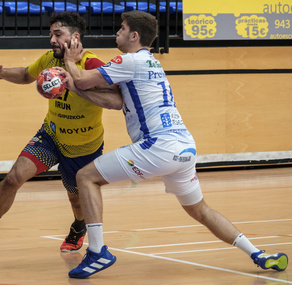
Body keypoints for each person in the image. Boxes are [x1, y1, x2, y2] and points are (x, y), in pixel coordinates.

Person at [58, 10, 289, 278]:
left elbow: (85, 80)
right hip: (185, 147)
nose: (117, 32)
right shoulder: (151, 63)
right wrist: (76, 89)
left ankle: (97, 252)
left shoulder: (130, 60)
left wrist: (71, 61)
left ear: (134, 36)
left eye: (121, 28)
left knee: (85, 176)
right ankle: (259, 254)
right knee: (199, 210)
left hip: (157, 146)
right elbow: (111, 98)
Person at [0, 11, 122, 253]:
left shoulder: (91, 64)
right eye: (50, 34)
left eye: (57, 34)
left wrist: (76, 87)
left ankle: (78, 227)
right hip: (50, 136)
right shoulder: (49, 59)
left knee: (76, 198)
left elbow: (116, 97)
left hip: (83, 145)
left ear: (75, 37)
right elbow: (24, 75)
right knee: (13, 178)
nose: (52, 39)